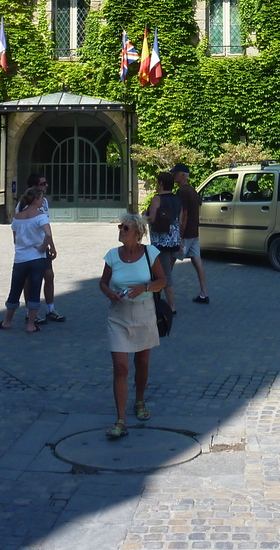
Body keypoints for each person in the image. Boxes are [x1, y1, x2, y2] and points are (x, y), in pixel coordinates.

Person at [99, 213, 166, 439]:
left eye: (125, 227)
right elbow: (103, 282)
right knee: (120, 367)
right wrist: (110, 294)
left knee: (142, 361)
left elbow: (162, 281)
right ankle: (120, 420)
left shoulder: (150, 253)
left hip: (144, 313)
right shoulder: (112, 255)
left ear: (137, 233)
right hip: (118, 315)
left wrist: (145, 287)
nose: (121, 230)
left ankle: (139, 400)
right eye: (120, 227)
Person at [0, 187, 52, 334]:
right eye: (41, 198)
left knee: (15, 289)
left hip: (20, 258)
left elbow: (15, 239)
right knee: (34, 289)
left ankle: (7, 321)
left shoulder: (17, 217)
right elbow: (48, 234)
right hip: (37, 257)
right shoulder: (41, 216)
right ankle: (31, 324)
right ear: (35, 200)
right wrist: (42, 247)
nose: (43, 200)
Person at [17, 173, 65, 322]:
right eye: (43, 184)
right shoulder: (22, 205)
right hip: (31, 248)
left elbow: (46, 225)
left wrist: (51, 245)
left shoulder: (44, 202)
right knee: (30, 280)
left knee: (49, 276)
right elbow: (19, 226)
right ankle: (29, 312)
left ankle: (50, 309)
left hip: (43, 246)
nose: (46, 186)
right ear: (34, 187)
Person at [146, 171, 184, 314]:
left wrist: (145, 215)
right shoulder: (177, 199)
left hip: (161, 240)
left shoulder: (157, 199)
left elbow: (152, 219)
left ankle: (171, 307)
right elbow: (180, 221)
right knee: (163, 271)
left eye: (157, 182)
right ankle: (156, 300)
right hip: (174, 239)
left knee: (165, 274)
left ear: (161, 183)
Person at [171, 163, 209, 304]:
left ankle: (160, 292)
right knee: (197, 261)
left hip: (186, 233)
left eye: (175, 174)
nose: (173, 176)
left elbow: (184, 215)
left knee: (169, 262)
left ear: (182, 175)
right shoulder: (193, 191)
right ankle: (204, 293)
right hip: (194, 232)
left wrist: (179, 236)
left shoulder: (182, 192)